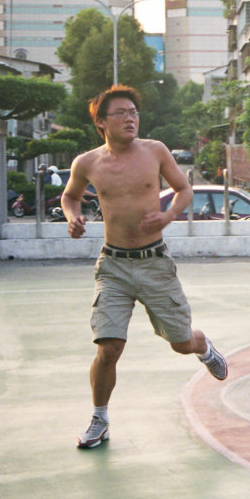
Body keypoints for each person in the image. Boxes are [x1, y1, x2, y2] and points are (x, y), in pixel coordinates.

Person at [61, 85, 228, 449]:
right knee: (108, 347)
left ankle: (205, 348)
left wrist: (168, 216)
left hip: (154, 263)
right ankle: (99, 419)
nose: (130, 118)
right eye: (120, 113)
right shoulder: (87, 162)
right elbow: (70, 195)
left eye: (134, 112)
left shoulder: (155, 151)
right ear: (102, 122)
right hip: (113, 266)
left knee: (181, 343)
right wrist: (72, 217)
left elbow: (184, 190)